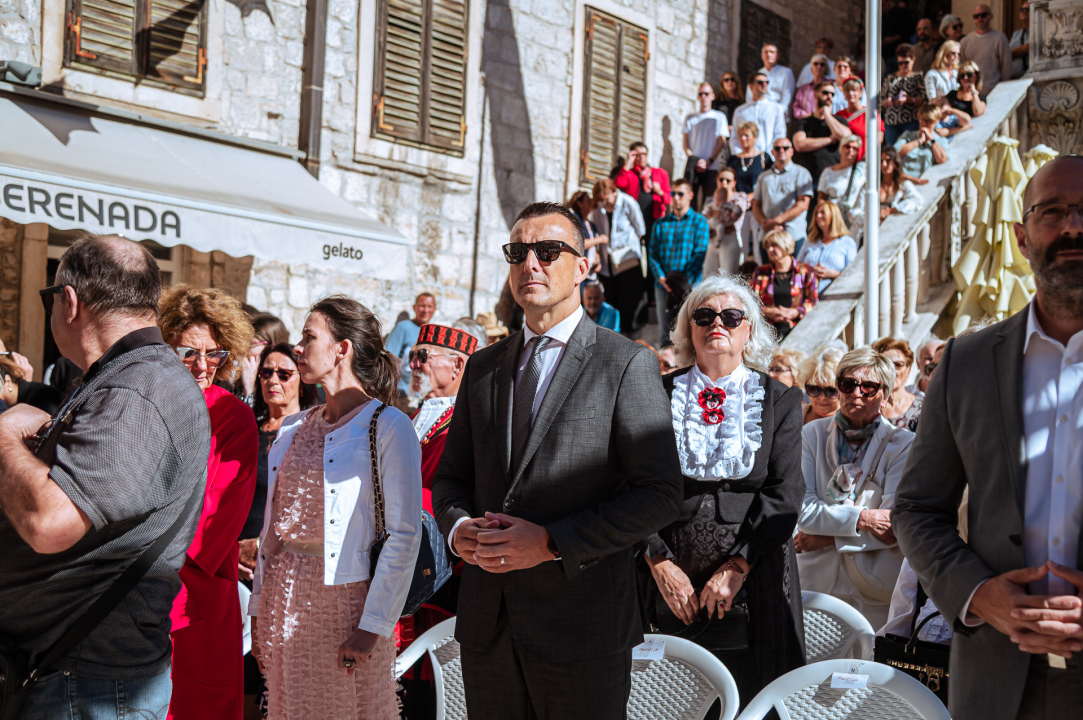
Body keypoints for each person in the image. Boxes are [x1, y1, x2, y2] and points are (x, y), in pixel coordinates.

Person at [432, 201, 683, 719]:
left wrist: (550, 542)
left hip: (582, 627)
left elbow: (659, 495)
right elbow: (451, 478)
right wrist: (459, 530)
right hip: (488, 625)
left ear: (583, 267)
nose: (531, 264)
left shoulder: (625, 362)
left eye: (548, 251)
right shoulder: (482, 367)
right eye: (518, 252)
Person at [894, 155, 1083, 718]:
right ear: (1022, 237)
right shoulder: (966, 362)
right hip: (995, 681)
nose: (1073, 226)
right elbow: (916, 509)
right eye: (1053, 212)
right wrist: (977, 594)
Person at [0, 235, 210, 718]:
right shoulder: (128, 377)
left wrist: (6, 435)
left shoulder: (140, 388)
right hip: (71, 676)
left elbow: (50, 522)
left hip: (85, 684)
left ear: (69, 301)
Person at [249, 295, 423, 720]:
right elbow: (275, 527)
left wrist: (373, 626)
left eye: (309, 337)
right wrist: (258, 606)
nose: (298, 347)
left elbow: (404, 534)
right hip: (282, 599)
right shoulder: (294, 426)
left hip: (344, 606)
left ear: (341, 348)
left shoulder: (389, 425)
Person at [645, 273, 806, 707]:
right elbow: (630, 484)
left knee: (754, 696)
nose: (718, 323)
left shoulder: (780, 400)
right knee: (666, 699)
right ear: (689, 328)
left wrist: (738, 566)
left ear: (748, 330)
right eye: (705, 315)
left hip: (758, 573)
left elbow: (785, 493)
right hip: (667, 577)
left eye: (732, 316)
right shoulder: (655, 393)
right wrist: (658, 561)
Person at [157, 285, 259, 720]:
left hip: (193, 592)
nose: (202, 366)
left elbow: (215, 525)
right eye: (188, 353)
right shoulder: (146, 405)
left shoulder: (233, 416)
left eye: (214, 354)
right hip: (137, 590)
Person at [795, 347, 915, 629]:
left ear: (885, 394)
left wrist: (826, 538)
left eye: (868, 387)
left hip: (872, 590)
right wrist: (864, 518)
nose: (856, 393)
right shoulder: (811, 434)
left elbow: (894, 527)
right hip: (815, 585)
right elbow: (804, 511)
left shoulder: (903, 444)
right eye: (847, 384)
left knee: (868, 656)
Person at [240, 343, 320, 583]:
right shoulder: (245, 430)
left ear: (302, 385)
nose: (273, 380)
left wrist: (257, 546)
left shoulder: (312, 436)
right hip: (233, 558)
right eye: (266, 373)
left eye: (284, 374)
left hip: (283, 561)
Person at [649, 179, 711, 348]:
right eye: (673, 193)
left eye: (680, 194)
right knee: (665, 336)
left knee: (690, 336)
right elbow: (652, 253)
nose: (676, 197)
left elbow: (699, 254)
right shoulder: (660, 224)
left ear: (690, 196)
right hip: (663, 286)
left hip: (688, 286)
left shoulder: (699, 222)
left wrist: (680, 281)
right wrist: (662, 278)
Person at [591, 178, 648, 331]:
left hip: (627, 260)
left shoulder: (628, 202)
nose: (605, 204)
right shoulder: (598, 207)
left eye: (607, 199)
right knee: (611, 298)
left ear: (614, 192)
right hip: (607, 262)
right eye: (602, 201)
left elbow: (640, 230)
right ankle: (613, 332)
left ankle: (626, 330)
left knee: (628, 297)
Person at [749, 229, 818, 340]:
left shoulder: (805, 271)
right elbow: (750, 301)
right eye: (767, 247)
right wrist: (767, 311)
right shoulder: (761, 272)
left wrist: (797, 312)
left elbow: (813, 301)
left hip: (798, 331)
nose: (770, 249)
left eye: (774, 245)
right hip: (768, 333)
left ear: (786, 245)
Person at [752, 138, 814, 259]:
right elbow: (756, 204)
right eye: (777, 148)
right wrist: (764, 223)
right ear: (772, 152)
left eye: (785, 148)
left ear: (791, 151)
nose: (781, 151)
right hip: (768, 236)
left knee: (794, 271)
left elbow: (803, 204)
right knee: (768, 270)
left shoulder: (801, 173)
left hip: (792, 235)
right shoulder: (764, 177)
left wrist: (776, 221)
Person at [793, 82, 843, 211]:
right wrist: (829, 140)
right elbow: (800, 144)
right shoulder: (804, 122)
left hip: (833, 177)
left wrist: (827, 116)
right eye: (825, 93)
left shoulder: (839, 121)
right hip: (810, 177)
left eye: (832, 94)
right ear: (815, 94)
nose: (829, 96)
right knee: (811, 216)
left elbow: (845, 137)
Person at [683, 82, 731, 210]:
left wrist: (709, 161)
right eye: (701, 94)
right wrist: (695, 160)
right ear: (698, 97)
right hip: (694, 165)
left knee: (709, 202)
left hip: (712, 166)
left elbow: (721, 142)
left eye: (706, 94)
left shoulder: (719, 117)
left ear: (712, 96)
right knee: (690, 200)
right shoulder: (690, 118)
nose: (703, 96)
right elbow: (685, 143)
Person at [797, 201, 859, 293]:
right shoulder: (810, 241)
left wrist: (833, 274)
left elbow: (853, 274)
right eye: (817, 213)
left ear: (833, 216)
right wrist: (809, 271)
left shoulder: (847, 243)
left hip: (834, 294)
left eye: (823, 212)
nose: (818, 216)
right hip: (808, 295)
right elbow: (797, 266)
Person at [615, 141, 673, 239]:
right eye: (637, 155)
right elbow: (619, 184)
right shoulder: (630, 174)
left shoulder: (660, 173)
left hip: (654, 218)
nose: (641, 157)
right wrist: (628, 162)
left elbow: (668, 199)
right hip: (634, 219)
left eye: (644, 154)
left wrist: (659, 191)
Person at [386, 293, 437, 396]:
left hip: (425, 395)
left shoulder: (435, 333)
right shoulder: (402, 328)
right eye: (422, 306)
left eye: (429, 306)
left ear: (434, 309)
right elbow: (388, 359)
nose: (426, 310)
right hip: (402, 393)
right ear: (415, 307)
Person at [703, 168, 751, 276]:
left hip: (731, 239)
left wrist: (714, 213)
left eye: (728, 180)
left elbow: (731, 218)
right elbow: (705, 219)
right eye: (721, 179)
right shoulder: (710, 200)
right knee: (708, 277)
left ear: (734, 183)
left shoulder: (739, 198)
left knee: (728, 277)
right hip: (712, 239)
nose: (724, 182)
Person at [817, 135, 867, 235]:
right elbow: (822, 198)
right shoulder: (828, 172)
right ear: (841, 148)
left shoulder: (862, 169)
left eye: (855, 148)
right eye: (847, 146)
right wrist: (825, 214)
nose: (851, 150)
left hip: (854, 220)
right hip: (833, 219)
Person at [236, 312, 290, 405]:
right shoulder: (242, 375)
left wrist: (249, 389)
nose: (245, 349)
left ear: (271, 345)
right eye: (244, 343)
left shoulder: (282, 379)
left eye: (252, 344)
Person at [872, 336, 923, 432]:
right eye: (885, 365)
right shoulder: (869, 406)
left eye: (898, 365)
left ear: (908, 371)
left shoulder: (922, 409)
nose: (891, 371)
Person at [730, 72, 787, 156]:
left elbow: (780, 134)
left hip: (769, 157)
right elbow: (735, 136)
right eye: (760, 82)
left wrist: (769, 156)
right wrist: (739, 155)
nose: (764, 84)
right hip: (745, 157)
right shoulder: (740, 111)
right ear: (751, 86)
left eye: (766, 82)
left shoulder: (776, 108)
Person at [882, 44, 927, 147]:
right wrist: (889, 101)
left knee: (908, 150)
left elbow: (924, 100)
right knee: (892, 151)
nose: (903, 66)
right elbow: (881, 102)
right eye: (900, 63)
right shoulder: (890, 78)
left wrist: (909, 100)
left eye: (906, 63)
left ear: (913, 60)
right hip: (892, 122)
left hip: (911, 122)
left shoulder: (918, 77)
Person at [960, 4, 1012, 94]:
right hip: (971, 93)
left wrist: (1001, 90)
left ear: (991, 16)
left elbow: (1007, 68)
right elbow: (962, 68)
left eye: (983, 15)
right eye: (976, 16)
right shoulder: (965, 42)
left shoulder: (1000, 38)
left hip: (994, 92)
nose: (980, 19)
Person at [834, 78, 884, 162]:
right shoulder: (839, 115)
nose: (851, 93)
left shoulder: (870, 113)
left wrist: (867, 156)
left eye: (854, 90)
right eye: (848, 90)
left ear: (860, 93)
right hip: (843, 162)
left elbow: (879, 137)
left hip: (864, 161)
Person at [744, 43, 796, 120]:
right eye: (766, 52)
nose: (768, 54)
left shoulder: (786, 72)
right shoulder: (758, 74)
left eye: (772, 52)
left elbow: (787, 97)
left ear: (778, 55)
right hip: (759, 115)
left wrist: (778, 112)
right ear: (761, 55)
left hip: (780, 115)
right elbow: (750, 96)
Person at [896, 104, 950, 177]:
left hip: (926, 181)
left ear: (937, 121)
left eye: (928, 121)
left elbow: (942, 158)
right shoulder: (908, 135)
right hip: (904, 179)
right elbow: (896, 153)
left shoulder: (940, 140)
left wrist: (932, 140)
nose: (924, 124)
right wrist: (919, 141)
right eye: (922, 120)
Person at [566, 190, 610, 277]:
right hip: (578, 272)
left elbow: (592, 247)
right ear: (580, 203)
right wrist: (600, 239)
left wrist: (597, 259)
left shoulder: (590, 223)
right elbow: (577, 244)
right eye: (588, 201)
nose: (591, 203)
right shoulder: (574, 220)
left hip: (590, 273)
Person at [798, 345, 845, 424]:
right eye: (814, 389)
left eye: (831, 391)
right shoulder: (793, 415)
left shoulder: (851, 424)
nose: (822, 397)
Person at [879, 147, 926, 222]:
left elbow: (918, 200)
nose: (884, 164)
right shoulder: (871, 186)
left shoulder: (903, 185)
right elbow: (859, 211)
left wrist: (892, 210)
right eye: (881, 161)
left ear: (895, 162)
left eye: (888, 160)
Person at [727, 122, 773, 194]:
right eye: (741, 135)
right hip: (737, 198)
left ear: (755, 137)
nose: (743, 138)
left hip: (758, 198)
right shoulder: (733, 160)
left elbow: (770, 181)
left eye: (746, 135)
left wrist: (753, 195)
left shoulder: (764, 158)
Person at [792, 54, 832, 120]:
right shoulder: (804, 89)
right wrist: (807, 116)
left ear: (826, 68)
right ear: (811, 67)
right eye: (816, 64)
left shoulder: (831, 86)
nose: (819, 66)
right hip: (807, 120)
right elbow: (796, 107)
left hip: (826, 121)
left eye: (822, 64)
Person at [925, 40, 961, 106]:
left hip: (956, 110)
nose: (956, 56)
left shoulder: (959, 74)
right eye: (953, 53)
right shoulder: (932, 74)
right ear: (944, 54)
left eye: (958, 54)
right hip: (938, 109)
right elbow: (932, 99)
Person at [1010, 2, 1030, 79]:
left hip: (1030, 77)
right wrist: (1023, 49)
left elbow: (1030, 47)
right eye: (1022, 10)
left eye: (1027, 9)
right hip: (1014, 78)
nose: (1024, 11)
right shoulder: (1016, 34)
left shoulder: (1037, 32)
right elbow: (1007, 55)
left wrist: (1013, 53)